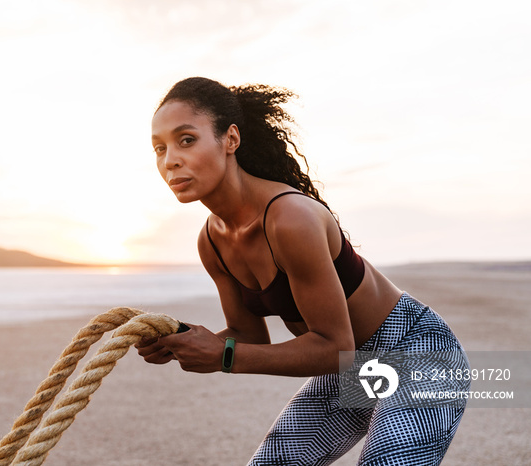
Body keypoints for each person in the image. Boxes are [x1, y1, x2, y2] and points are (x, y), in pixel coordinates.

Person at [136, 77, 469, 465]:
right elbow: (248, 336)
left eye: (186, 140)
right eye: (159, 149)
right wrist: (183, 341)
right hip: (349, 368)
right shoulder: (211, 241)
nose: (170, 159)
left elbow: (334, 347)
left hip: (417, 352)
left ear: (230, 140)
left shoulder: (289, 218)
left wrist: (224, 357)